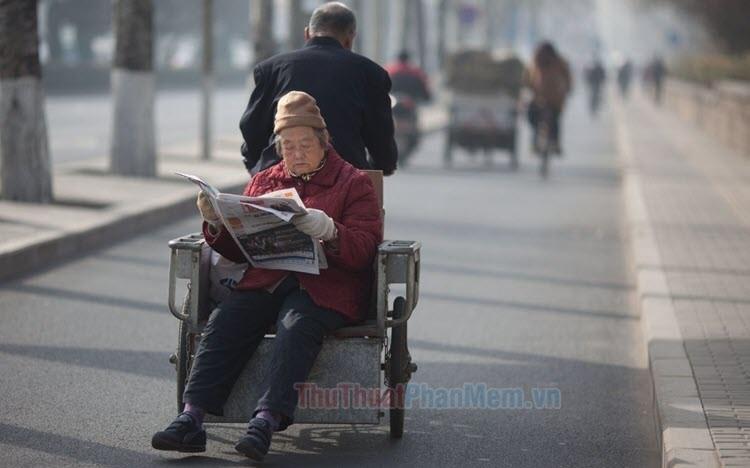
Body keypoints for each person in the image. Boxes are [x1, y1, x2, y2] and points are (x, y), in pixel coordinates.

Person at [152, 91, 383, 461]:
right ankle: (191, 418)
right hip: (268, 279)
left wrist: (331, 231)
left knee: (296, 325)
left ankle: (265, 420)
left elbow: (365, 249)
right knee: (227, 320)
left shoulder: (353, 183)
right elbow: (236, 250)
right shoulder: (265, 180)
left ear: (324, 142)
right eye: (288, 146)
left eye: (305, 144)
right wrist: (215, 221)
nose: (296, 153)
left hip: (326, 287)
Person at [240, 2, 397, 176]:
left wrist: (257, 168)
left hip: (281, 177)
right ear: (350, 38)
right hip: (345, 179)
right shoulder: (371, 74)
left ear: (307, 33)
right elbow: (380, 136)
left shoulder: (272, 69)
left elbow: (252, 128)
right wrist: (382, 165)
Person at [523, 41, 572, 155]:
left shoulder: (536, 61)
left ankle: (540, 143)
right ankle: (554, 143)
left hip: (544, 99)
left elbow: (526, 79)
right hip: (551, 99)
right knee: (553, 120)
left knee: (538, 118)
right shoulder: (558, 62)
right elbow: (568, 79)